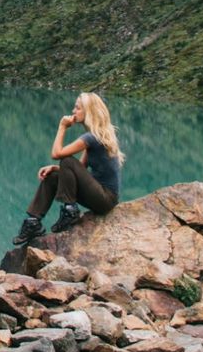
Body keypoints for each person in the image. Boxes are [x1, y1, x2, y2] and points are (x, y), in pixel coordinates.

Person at [14, 91, 123, 244]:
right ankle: (33, 222)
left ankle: (70, 211)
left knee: (66, 159)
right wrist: (55, 169)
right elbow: (80, 169)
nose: (73, 111)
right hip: (98, 196)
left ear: (88, 111)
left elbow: (57, 154)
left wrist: (62, 126)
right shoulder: (95, 135)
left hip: (106, 199)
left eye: (77, 108)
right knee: (52, 176)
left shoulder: (91, 138)